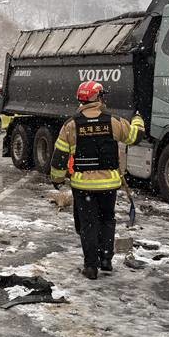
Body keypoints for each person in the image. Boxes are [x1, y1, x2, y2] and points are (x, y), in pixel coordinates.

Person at [49, 80, 144, 279]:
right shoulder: (113, 121)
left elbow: (59, 157)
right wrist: (138, 119)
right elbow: (135, 136)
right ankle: (106, 260)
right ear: (98, 98)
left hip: (83, 186)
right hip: (108, 185)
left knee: (87, 224)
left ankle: (91, 266)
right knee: (107, 220)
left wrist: (57, 180)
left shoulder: (71, 124)